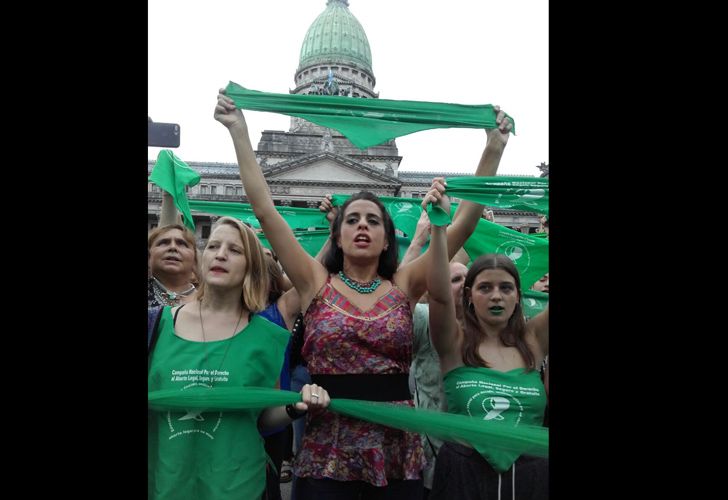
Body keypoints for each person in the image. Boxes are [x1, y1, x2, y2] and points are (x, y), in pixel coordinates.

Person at [214, 88, 513, 499]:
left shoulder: (404, 284)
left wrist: (493, 148)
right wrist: (238, 132)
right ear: (337, 233)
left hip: (395, 448)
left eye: (373, 220)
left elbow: (462, 223)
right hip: (326, 447)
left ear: (387, 237)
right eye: (352, 219)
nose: (362, 226)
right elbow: (265, 208)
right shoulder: (315, 281)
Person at [148, 216, 331, 500]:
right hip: (166, 484)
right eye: (212, 246)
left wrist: (295, 406)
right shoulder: (154, 325)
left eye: (235, 250)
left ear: (252, 267)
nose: (220, 254)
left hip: (237, 486)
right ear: (201, 258)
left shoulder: (267, 336)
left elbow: (262, 419)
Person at [423, 191, 549, 500]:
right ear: (468, 296)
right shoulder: (453, 343)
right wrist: (439, 228)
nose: (496, 296)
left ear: (518, 296)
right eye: (485, 288)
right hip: (463, 477)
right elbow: (438, 293)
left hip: (531, 476)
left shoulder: (533, 341)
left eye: (506, 288)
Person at [148, 192, 199, 308]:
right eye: (163, 242)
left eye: (182, 243)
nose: (173, 247)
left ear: (195, 259)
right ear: (149, 256)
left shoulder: (212, 302)